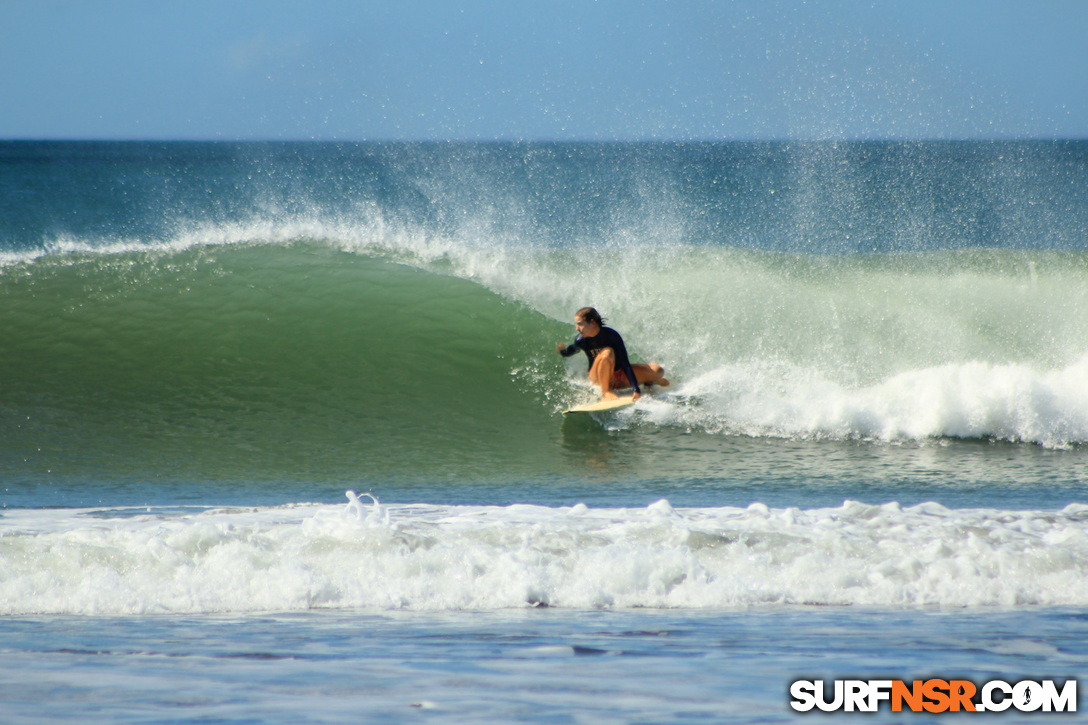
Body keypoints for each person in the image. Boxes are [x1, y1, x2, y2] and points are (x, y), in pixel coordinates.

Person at [556, 307, 668, 402]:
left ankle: (650, 382)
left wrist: (636, 389)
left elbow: (625, 363)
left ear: (592, 323)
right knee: (607, 352)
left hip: (618, 376)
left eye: (580, 324)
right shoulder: (581, 340)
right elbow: (572, 350)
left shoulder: (611, 336)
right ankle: (605, 393)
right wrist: (563, 352)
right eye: (577, 324)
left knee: (658, 370)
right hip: (598, 378)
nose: (577, 328)